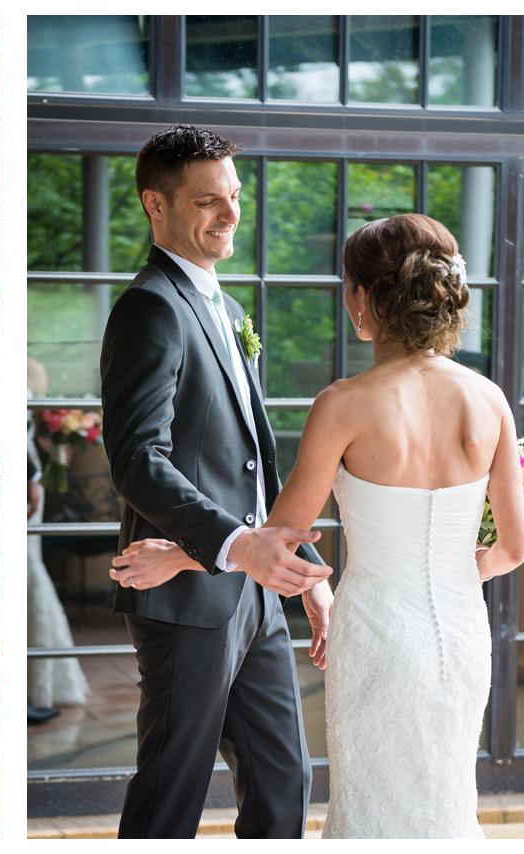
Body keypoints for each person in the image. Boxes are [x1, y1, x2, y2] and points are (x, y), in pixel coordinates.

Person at [114, 213, 524, 838]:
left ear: (363, 299)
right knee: (445, 798)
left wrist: (180, 554)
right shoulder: (489, 398)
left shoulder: (345, 403)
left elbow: (282, 541)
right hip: (463, 632)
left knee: (374, 801)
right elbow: (515, 547)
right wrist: (451, 572)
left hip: (382, 634)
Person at [94, 126, 320, 838]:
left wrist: (306, 575)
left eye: (234, 197)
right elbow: (138, 460)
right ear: (155, 206)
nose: (229, 215)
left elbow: (250, 464)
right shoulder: (150, 307)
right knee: (173, 790)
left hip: (253, 597)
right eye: (207, 201)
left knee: (285, 780)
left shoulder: (224, 308)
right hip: (188, 600)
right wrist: (236, 544)